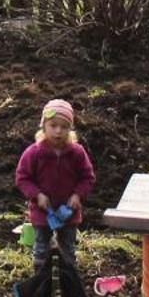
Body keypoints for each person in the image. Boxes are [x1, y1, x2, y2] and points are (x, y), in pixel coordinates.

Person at [15, 98, 95, 265]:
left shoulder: (77, 153)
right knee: (41, 247)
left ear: (70, 129)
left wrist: (78, 195)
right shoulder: (34, 153)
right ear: (44, 126)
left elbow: (87, 177)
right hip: (43, 211)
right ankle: (41, 278)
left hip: (69, 211)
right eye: (53, 126)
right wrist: (37, 195)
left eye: (64, 127)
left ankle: (69, 278)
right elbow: (23, 178)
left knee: (68, 248)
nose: (58, 131)